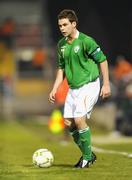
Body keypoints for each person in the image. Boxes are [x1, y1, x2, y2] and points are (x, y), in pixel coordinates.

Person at [49, 9, 111, 168]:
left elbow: (102, 60)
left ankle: (87, 158)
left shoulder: (86, 41)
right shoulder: (61, 45)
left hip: (89, 85)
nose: (62, 28)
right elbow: (61, 69)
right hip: (74, 88)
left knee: (79, 120)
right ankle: (88, 155)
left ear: (73, 24)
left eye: (65, 24)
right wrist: (54, 88)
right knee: (69, 123)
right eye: (59, 25)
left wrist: (106, 84)